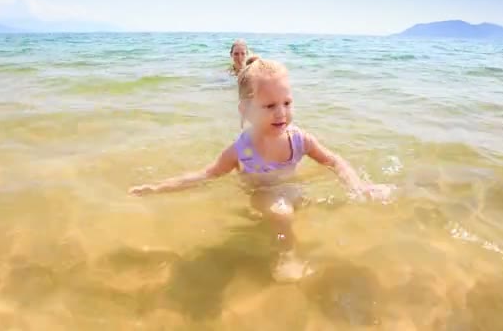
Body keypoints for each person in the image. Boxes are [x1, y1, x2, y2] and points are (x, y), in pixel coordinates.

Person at [129, 56, 393, 282]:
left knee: (325, 203)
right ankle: (287, 255)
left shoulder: (300, 139)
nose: (281, 113)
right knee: (281, 211)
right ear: (245, 110)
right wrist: (158, 188)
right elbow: (206, 174)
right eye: (270, 106)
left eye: (287, 103)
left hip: (293, 191)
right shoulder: (241, 151)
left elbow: (334, 161)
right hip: (262, 196)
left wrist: (357, 185)